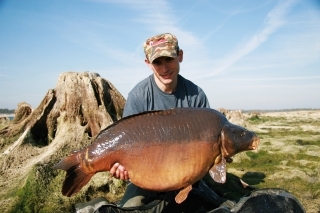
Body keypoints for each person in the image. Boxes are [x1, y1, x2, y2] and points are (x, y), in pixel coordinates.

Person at [109, 33, 221, 210]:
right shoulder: (138, 96)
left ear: (180, 56)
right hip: (147, 176)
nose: (164, 68)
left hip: (189, 174)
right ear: (148, 63)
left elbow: (210, 143)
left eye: (169, 59)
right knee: (132, 207)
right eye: (157, 62)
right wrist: (119, 167)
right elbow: (126, 143)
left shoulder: (196, 95)